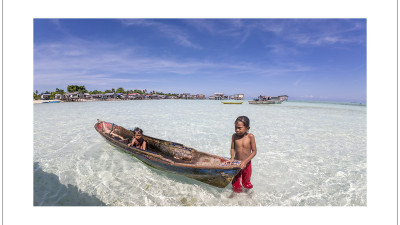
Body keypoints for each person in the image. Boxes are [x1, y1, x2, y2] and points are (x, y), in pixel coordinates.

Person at [225, 116, 257, 193]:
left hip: (247, 164)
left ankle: (248, 195)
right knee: (235, 182)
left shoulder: (250, 136)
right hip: (236, 163)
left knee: (246, 182)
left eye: (239, 128)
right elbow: (232, 148)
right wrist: (232, 158)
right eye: (235, 127)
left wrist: (245, 162)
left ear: (247, 128)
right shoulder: (234, 136)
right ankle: (235, 195)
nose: (237, 130)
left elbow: (254, 151)